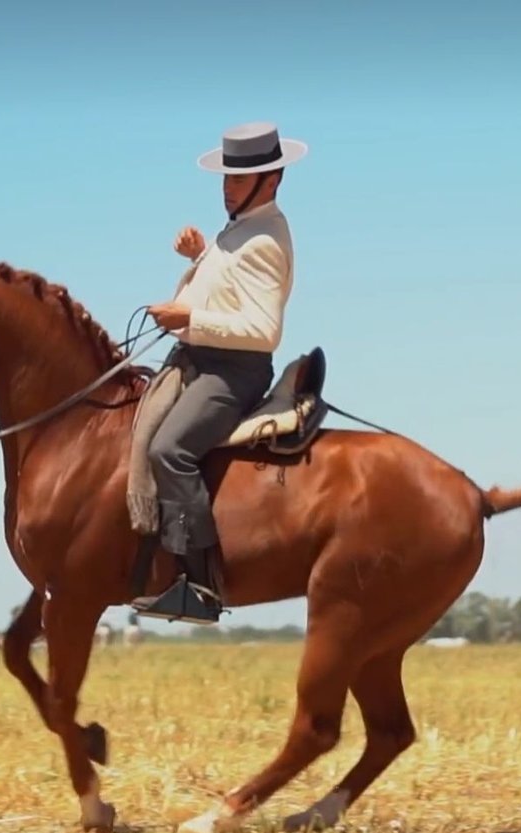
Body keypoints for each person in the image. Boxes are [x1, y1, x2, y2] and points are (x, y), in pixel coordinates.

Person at [133, 121, 307, 619]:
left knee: (170, 450)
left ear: (269, 180)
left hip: (233, 372)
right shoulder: (242, 229)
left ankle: (200, 585)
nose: (226, 187)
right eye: (225, 178)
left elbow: (263, 329)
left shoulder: (266, 240)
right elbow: (229, 283)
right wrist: (201, 253)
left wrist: (188, 316)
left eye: (237, 178)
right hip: (202, 359)